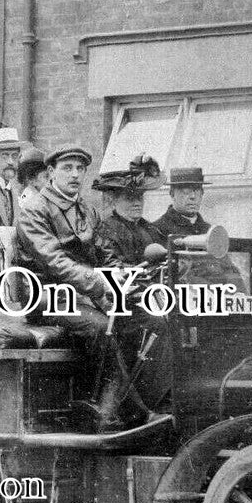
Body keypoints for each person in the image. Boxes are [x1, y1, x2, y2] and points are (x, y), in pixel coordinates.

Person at [16, 147, 169, 428]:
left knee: (153, 320)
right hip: (48, 297)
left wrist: (121, 273)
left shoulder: (86, 209)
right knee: (101, 327)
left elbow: (103, 252)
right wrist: (101, 282)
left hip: (85, 296)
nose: (75, 174)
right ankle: (123, 413)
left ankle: (155, 402)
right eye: (68, 168)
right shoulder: (33, 210)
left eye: (80, 168)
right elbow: (54, 261)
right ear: (50, 173)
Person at [152, 167, 245, 287]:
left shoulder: (210, 231)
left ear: (202, 194)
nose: (192, 196)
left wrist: (240, 294)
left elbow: (230, 270)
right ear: (172, 194)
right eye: (186, 191)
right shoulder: (158, 229)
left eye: (196, 190)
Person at [96, 154, 166, 265]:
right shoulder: (106, 230)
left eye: (140, 197)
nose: (137, 203)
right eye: (130, 198)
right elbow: (110, 264)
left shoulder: (150, 228)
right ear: (113, 201)